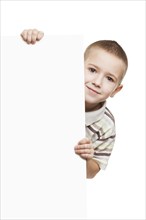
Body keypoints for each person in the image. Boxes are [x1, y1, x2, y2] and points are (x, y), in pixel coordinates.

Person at [21, 29, 128, 179]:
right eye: (92, 70)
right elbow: (29, 70)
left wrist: (86, 158)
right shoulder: (53, 87)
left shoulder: (107, 125)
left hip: (58, 179)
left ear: (116, 90)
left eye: (109, 79)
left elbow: (91, 173)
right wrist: (32, 40)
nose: (97, 82)